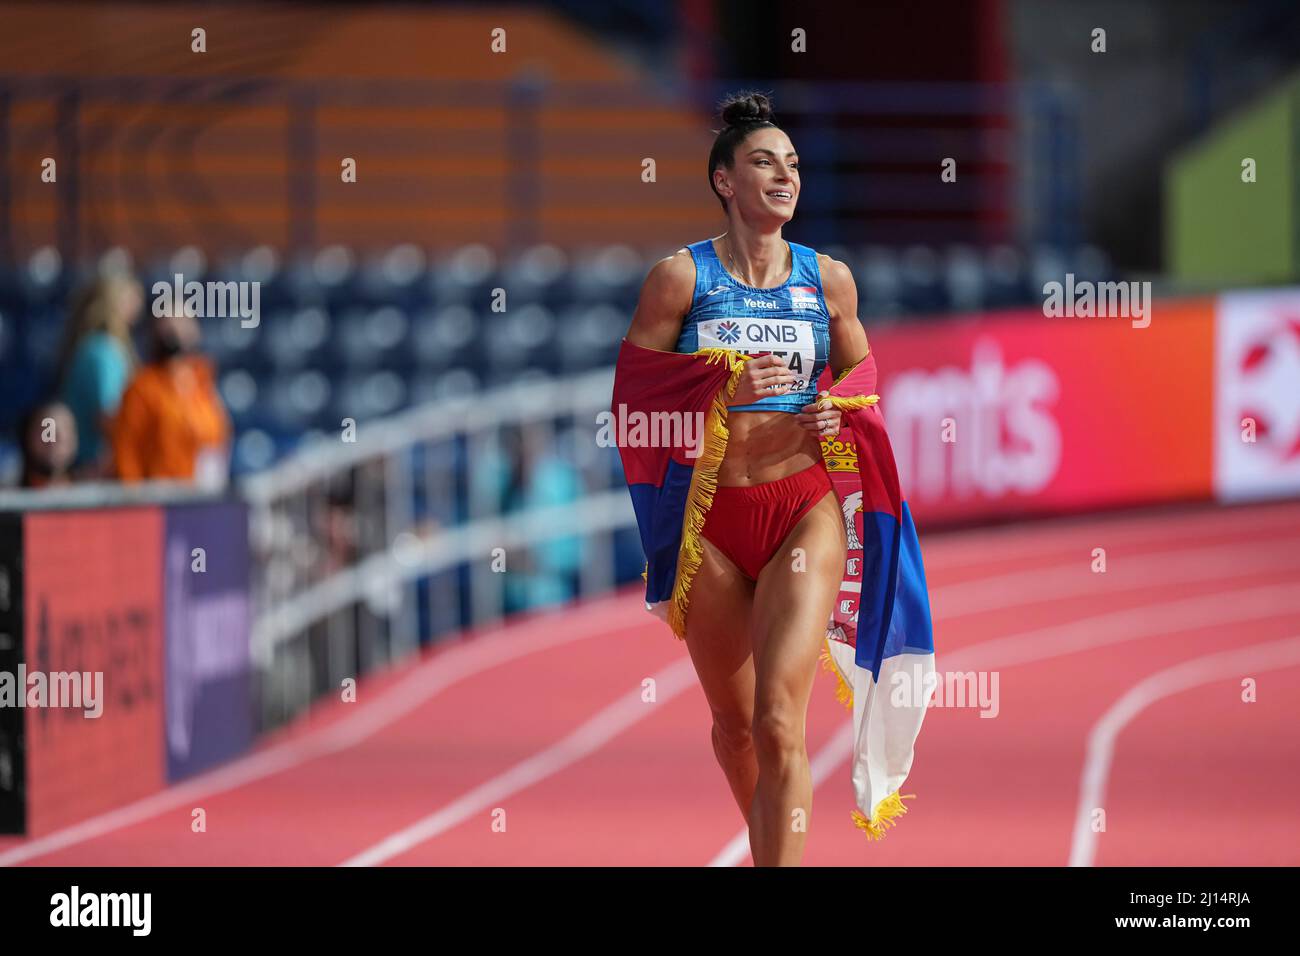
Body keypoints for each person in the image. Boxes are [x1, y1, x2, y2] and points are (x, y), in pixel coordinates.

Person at [623, 91, 879, 866]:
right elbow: (633, 406)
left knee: (777, 723)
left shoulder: (828, 280)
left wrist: (845, 414)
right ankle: (772, 843)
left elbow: (866, 385)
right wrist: (720, 393)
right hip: (712, 531)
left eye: (793, 164)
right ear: (724, 181)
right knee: (736, 732)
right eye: (764, 161)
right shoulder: (679, 280)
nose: (784, 175)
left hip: (802, 508)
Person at [110, 308, 231, 488]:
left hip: (204, 497)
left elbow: (217, 440)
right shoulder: (142, 388)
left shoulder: (204, 383)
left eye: (182, 320)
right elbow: (126, 453)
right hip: (161, 500)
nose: (175, 328)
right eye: (167, 321)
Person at [55, 274, 143, 477]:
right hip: (92, 467)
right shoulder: (102, 350)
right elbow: (108, 415)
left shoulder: (98, 347)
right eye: (131, 296)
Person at [17, 400, 78, 488]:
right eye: (44, 434)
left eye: (57, 436)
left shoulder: (91, 490)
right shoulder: (9, 490)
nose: (51, 443)